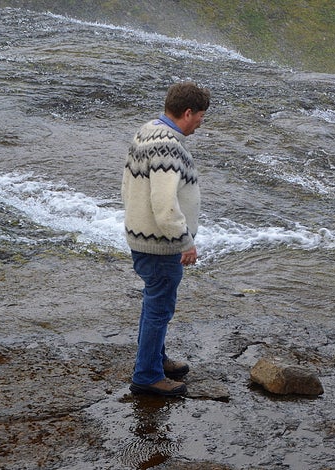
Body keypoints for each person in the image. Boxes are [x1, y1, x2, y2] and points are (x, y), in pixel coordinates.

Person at [122, 81, 210, 396]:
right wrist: (185, 241)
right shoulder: (169, 147)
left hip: (142, 236)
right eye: (200, 116)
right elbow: (164, 205)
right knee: (160, 307)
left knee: (154, 302)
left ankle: (155, 360)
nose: (201, 123)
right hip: (160, 244)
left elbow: (128, 186)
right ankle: (147, 376)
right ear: (188, 112)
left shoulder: (147, 130)